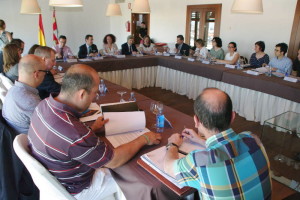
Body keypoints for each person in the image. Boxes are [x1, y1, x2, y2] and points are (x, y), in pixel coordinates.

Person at [28, 64, 162, 199]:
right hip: (77, 189)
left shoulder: (44, 105)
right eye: (94, 92)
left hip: (56, 176)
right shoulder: (74, 132)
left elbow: (67, 141)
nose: (95, 97)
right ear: (81, 94)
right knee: (137, 180)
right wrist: (144, 139)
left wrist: (93, 129)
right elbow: (114, 160)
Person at [164, 88, 272, 199]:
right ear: (233, 116)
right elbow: (228, 150)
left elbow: (168, 167)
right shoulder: (253, 139)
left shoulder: (199, 161)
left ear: (196, 121)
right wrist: (201, 141)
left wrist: (172, 144)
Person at [2, 55, 46, 133]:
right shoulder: (31, 101)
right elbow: (51, 128)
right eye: (45, 72)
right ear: (36, 74)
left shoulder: (12, 90)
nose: (45, 75)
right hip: (29, 141)